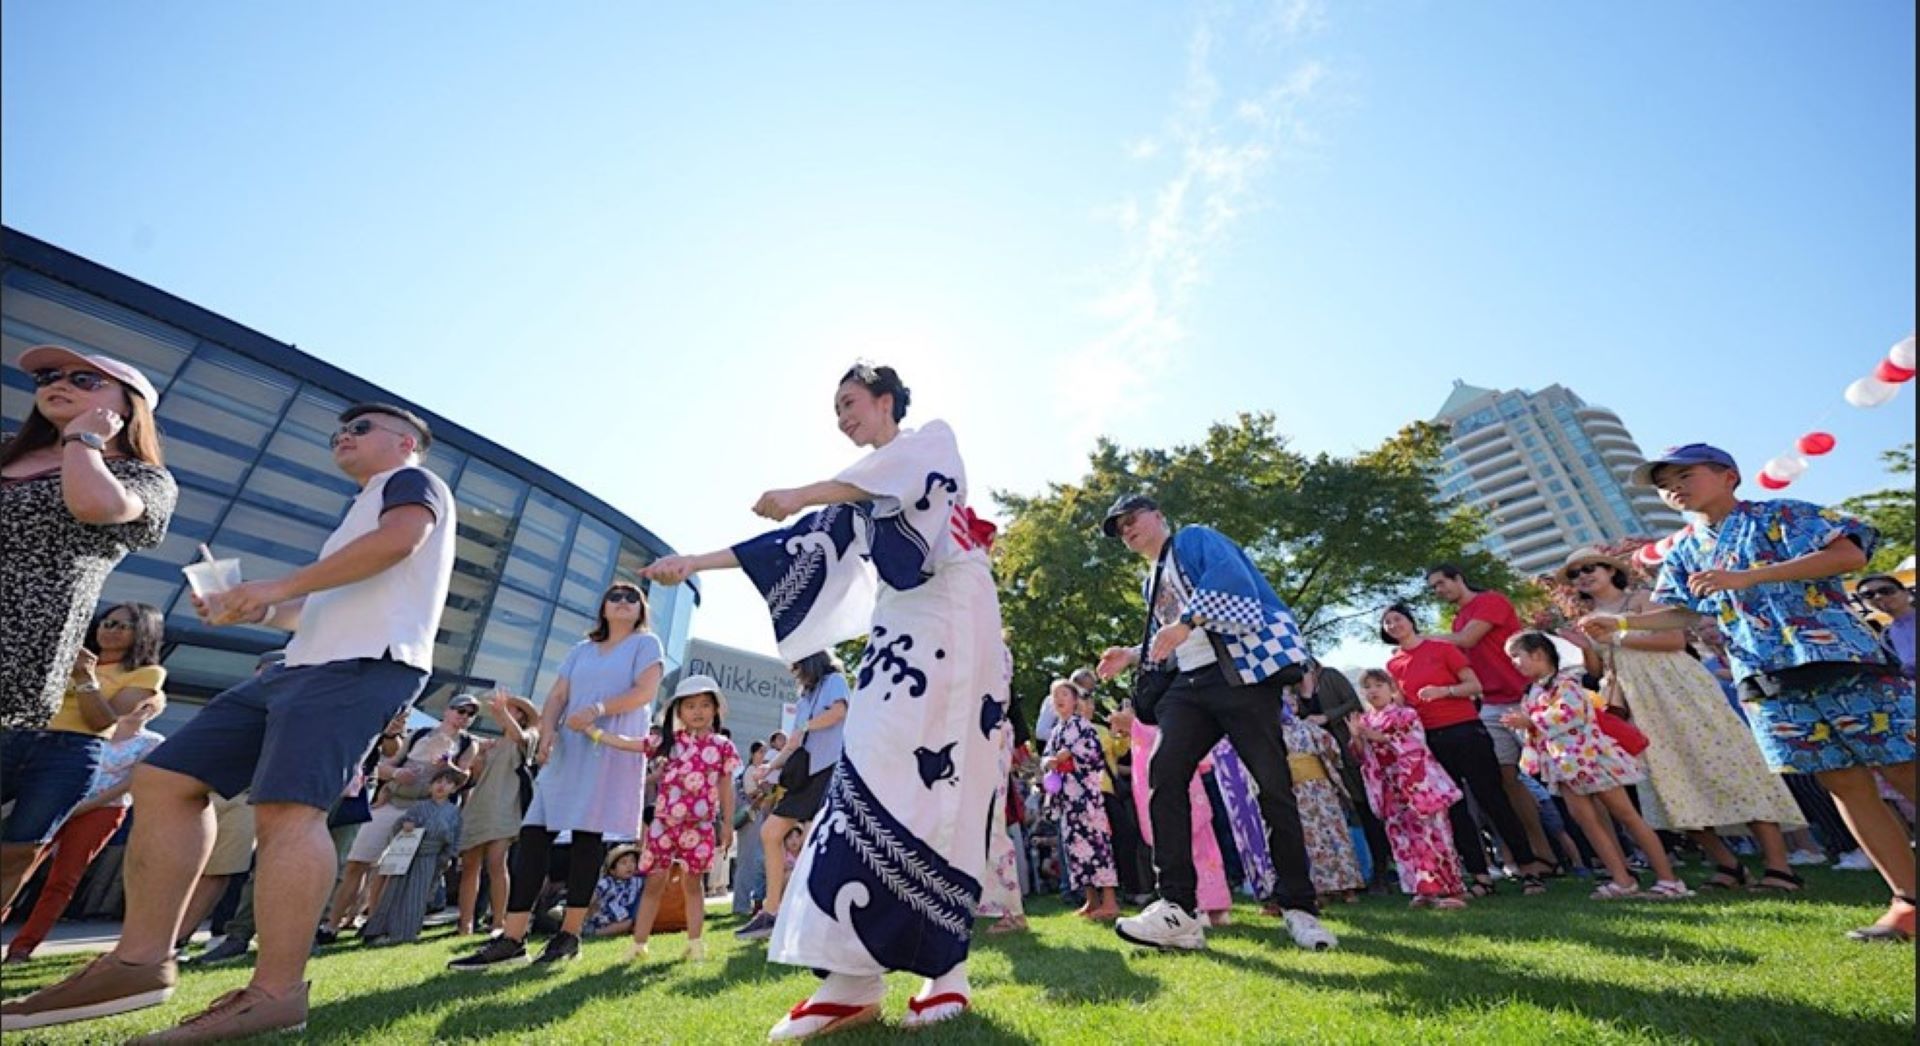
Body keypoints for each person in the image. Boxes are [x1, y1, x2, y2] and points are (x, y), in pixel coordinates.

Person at [3, 401, 455, 1039]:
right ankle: (140, 961)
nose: (342, 438)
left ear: (406, 441)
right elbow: (323, 606)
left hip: (363, 666)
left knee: (288, 810)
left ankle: (275, 994)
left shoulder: (414, 484)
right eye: (338, 431)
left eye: (360, 429)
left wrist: (274, 586)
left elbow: (400, 541)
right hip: (301, 664)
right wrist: (257, 613)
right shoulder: (361, 511)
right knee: (164, 778)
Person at [639, 363, 1008, 1036]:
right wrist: (695, 562)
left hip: (957, 614)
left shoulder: (929, 441)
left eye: (851, 402)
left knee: (951, 775)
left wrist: (803, 492)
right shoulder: (856, 499)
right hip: (901, 629)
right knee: (869, 763)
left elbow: (870, 487)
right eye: (835, 407)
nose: (843, 416)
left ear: (887, 400)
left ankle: (944, 967)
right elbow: (788, 547)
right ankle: (851, 975)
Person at [1580, 444, 1917, 942]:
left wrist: (1748, 577)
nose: (1673, 487)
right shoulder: (1685, 549)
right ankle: (1907, 901)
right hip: (1767, 677)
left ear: (1729, 476)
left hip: (1843, 661)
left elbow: (1850, 553)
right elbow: (1686, 611)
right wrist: (1624, 621)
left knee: (1905, 769)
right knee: (1844, 784)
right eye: (1664, 482)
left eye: (1685, 474)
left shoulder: (1782, 513)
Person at [1095, 494, 1334, 954]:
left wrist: (1185, 623)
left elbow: (1234, 585)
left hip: (1241, 675)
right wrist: (1132, 653)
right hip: (1190, 684)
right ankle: (1178, 908)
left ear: (1159, 516)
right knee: (1165, 774)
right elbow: (1170, 640)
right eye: (1118, 528)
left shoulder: (1195, 539)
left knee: (1272, 785)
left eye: (1132, 519)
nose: (1126, 530)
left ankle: (1300, 907)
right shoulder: (1151, 584)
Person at [1556, 546, 1806, 892]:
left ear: (1611, 570)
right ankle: (1726, 864)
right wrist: (1585, 646)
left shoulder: (1642, 598)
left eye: (1589, 567)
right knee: (1670, 780)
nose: (1583, 575)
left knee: (1731, 765)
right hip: (1639, 701)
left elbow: (1673, 639)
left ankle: (1779, 866)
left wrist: (1615, 633)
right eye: (1575, 573)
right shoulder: (1589, 618)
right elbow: (1600, 668)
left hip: (1680, 687)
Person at [448, 581, 662, 970]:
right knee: (533, 835)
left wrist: (597, 708)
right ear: (602, 606)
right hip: (568, 747)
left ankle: (569, 936)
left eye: (633, 597)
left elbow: (644, 692)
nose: (624, 601)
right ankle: (512, 938)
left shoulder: (646, 645)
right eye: (615, 596)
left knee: (587, 837)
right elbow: (557, 696)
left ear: (642, 609)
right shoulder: (581, 650)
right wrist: (547, 735)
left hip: (606, 747)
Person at [1, 345, 176, 734]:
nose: (59, 384)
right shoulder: (6, 448)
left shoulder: (144, 478)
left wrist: (82, 440)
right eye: (49, 378)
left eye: (83, 379)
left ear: (128, 407)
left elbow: (94, 505)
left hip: (15, 644)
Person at [2, 603, 167, 914]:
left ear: (143, 633)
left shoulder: (145, 674)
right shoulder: (66, 653)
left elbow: (100, 721)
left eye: (122, 626)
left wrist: (85, 678)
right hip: (17, 737)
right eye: (107, 622)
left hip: (70, 751)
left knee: (22, 849)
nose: (109, 629)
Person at [1501, 633, 1692, 901]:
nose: (1514, 663)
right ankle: (1622, 879)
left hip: (1591, 759)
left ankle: (1668, 879)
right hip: (1564, 764)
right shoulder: (1535, 691)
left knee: (1626, 815)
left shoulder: (1567, 682)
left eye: (1516, 655)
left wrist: (1530, 721)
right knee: (1586, 821)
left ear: (1538, 654)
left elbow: (1570, 714)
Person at [1377, 602, 1548, 898]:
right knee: (1455, 809)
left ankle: (1529, 870)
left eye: (1398, 618)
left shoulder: (1441, 648)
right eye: (1387, 623)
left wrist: (1444, 691)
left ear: (1411, 621)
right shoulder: (1393, 664)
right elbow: (1402, 704)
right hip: (1430, 740)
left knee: (1492, 799)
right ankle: (1480, 877)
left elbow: (1474, 685)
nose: (1394, 625)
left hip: (1466, 729)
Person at [4, 693, 167, 963]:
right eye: (138, 701)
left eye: (150, 705)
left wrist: (85, 807)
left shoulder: (152, 743)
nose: (142, 708)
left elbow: (130, 783)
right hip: (56, 800)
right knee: (18, 862)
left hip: (103, 810)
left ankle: (23, 946)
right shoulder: (92, 730)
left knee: (64, 877)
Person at [1424, 565, 1561, 876]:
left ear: (1458, 577)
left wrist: (1421, 639)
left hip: (1526, 695)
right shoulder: (1457, 620)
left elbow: (1469, 639)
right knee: (1505, 781)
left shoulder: (1490, 601)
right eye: (1433, 588)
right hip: (1490, 704)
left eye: (1441, 583)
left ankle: (1600, 855)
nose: (1439, 590)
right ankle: (1540, 854)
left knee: (1559, 773)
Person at [593, 675, 738, 962]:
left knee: (693, 886)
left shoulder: (722, 746)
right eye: (691, 706)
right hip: (663, 826)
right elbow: (628, 743)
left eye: (705, 705)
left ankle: (696, 944)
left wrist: (728, 823)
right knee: (654, 883)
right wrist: (594, 733)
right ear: (678, 712)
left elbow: (726, 786)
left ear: (715, 710)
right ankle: (638, 945)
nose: (698, 711)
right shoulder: (667, 742)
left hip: (700, 827)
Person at [327, 696, 478, 937]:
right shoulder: (419, 733)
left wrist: (447, 765)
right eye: (461, 710)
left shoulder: (468, 743)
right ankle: (331, 924)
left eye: (471, 714)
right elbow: (385, 765)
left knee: (390, 869)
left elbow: (464, 779)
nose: (465, 716)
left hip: (420, 812)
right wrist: (397, 774)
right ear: (447, 710)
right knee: (356, 862)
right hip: (393, 801)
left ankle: (373, 923)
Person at [734, 652, 850, 942]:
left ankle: (816, 916)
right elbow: (795, 743)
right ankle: (772, 912)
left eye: (797, 665)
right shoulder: (804, 699)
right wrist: (769, 767)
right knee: (770, 832)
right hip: (804, 775)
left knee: (815, 843)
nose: (794, 672)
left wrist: (806, 726)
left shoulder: (834, 680)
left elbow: (839, 712)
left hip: (829, 770)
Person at [1349, 671, 1468, 909]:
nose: (1373, 691)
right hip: (1388, 788)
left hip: (1416, 784)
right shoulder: (1366, 720)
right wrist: (1358, 738)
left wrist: (1379, 738)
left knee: (1431, 835)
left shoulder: (1406, 714)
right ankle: (1422, 890)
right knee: (1402, 839)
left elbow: (1414, 744)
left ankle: (1450, 890)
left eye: (1378, 685)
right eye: (1368, 687)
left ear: (1391, 688)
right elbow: (1361, 757)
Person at [1113, 704, 1234, 925]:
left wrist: (1134, 725)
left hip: (1180, 784)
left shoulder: (1169, 709)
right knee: (1189, 844)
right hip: (1167, 782)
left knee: (1195, 844)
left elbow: (1164, 738)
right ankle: (1206, 906)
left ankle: (1206, 905)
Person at [1294, 660, 1393, 892]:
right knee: (1341, 819)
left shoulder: (1329, 676)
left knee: (1366, 811)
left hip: (1349, 756)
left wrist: (1326, 717)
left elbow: (1353, 703)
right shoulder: (1292, 689)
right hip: (1322, 764)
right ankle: (1350, 874)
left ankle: (1382, 870)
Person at [455, 690, 540, 936]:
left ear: (522, 717)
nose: (506, 711)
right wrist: (479, 755)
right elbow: (476, 776)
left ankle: (499, 923)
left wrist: (503, 714)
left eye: (513, 709)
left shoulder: (528, 737)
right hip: (479, 806)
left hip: (505, 807)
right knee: (470, 864)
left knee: (496, 863)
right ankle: (466, 923)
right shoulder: (489, 743)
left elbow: (522, 737)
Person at [1043, 680, 1121, 920]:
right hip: (1067, 799)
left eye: (1064, 693)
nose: (1059, 698)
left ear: (1075, 700)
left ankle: (1109, 901)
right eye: (1055, 695)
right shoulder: (1057, 730)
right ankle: (1091, 900)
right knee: (1076, 849)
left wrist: (1071, 754)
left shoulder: (1083, 726)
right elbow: (1046, 756)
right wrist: (1049, 762)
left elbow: (1094, 754)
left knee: (1097, 845)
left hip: (1087, 797)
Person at [359, 768, 465, 945]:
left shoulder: (454, 813)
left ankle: (406, 931)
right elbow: (400, 825)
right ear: (430, 787)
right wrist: (406, 824)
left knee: (418, 895)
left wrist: (450, 857)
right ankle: (381, 929)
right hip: (409, 854)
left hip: (431, 858)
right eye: (438, 782)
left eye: (448, 783)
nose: (441, 786)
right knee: (395, 891)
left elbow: (455, 837)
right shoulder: (419, 807)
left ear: (453, 789)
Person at [1280, 693, 1366, 904]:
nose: (1289, 707)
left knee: (1335, 832)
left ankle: (1348, 885)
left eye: (1292, 703)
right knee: (1309, 838)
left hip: (1320, 786)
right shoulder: (1271, 733)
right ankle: (1320, 887)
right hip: (1295, 788)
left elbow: (1333, 750)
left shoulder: (1310, 728)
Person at [1858, 575, 1915, 678]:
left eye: (1886, 590)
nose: (1878, 596)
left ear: (1906, 593)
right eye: (1868, 595)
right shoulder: (1886, 636)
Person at [582, 845, 644, 938]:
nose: (629, 865)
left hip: (622, 917)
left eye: (633, 861)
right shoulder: (607, 882)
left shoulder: (636, 881)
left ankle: (595, 933)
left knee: (627, 924)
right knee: (590, 907)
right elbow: (595, 895)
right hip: (602, 915)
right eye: (624, 862)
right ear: (612, 870)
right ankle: (577, 922)